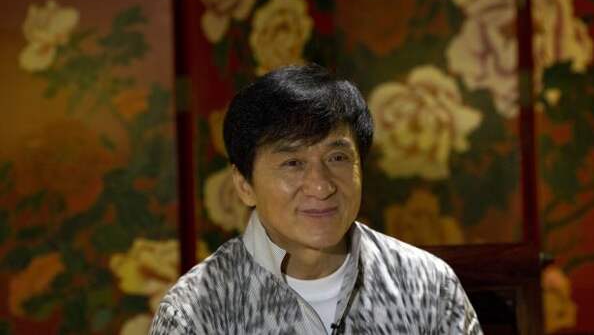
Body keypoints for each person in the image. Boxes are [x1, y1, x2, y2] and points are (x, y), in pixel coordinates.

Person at [149, 64, 482, 334]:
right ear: (244, 184)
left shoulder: (426, 285)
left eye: (337, 158)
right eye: (293, 163)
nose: (321, 186)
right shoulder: (195, 312)